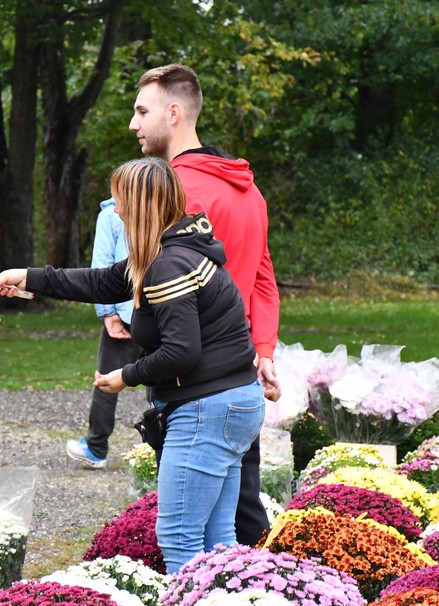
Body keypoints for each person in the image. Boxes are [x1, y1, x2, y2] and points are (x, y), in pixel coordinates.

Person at [0, 157, 265, 575]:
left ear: (141, 207)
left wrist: (125, 376)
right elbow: (101, 281)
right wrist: (27, 276)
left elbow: (181, 353)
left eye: (120, 201)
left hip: (207, 408)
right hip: (234, 401)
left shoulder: (168, 266)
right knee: (217, 537)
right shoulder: (174, 250)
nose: (114, 209)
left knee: (179, 538)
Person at [129, 63, 280, 546]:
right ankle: (267, 603)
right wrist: (264, 351)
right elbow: (264, 279)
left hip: (196, 378)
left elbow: (151, 279)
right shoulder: (247, 186)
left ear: (173, 113)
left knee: (194, 527)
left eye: (141, 111)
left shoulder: (175, 190)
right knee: (239, 509)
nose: (133, 124)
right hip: (239, 374)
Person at [64, 198, 140, 469]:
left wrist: (108, 312)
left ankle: (96, 448)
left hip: (123, 312)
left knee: (106, 380)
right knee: (164, 382)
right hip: (161, 310)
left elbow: (102, 266)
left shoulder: (110, 214)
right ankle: (164, 450)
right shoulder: (165, 204)